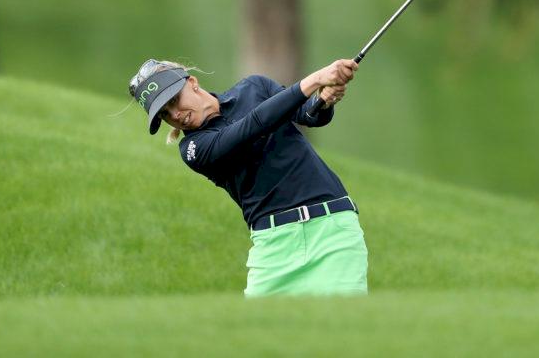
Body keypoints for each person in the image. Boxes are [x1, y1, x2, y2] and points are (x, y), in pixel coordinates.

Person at [128, 57, 366, 297]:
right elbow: (254, 124)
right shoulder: (193, 148)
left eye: (173, 101)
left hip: (332, 230)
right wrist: (316, 79)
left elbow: (309, 115)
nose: (176, 114)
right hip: (273, 248)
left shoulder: (255, 87)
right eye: (165, 114)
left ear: (192, 83)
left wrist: (325, 99)